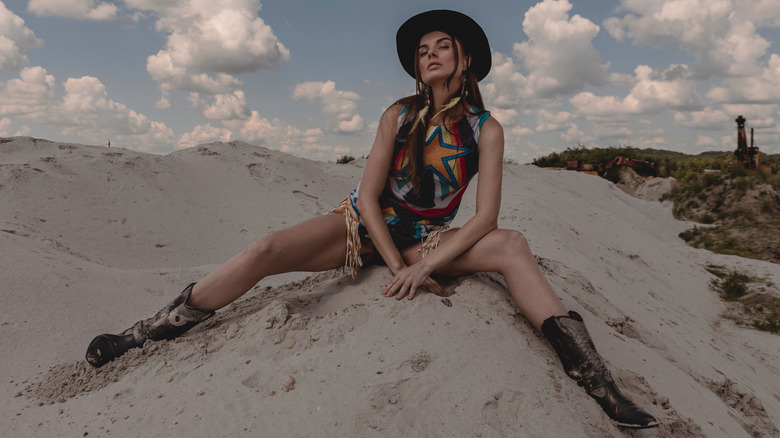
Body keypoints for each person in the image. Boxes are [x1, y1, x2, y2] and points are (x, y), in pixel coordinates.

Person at [85, 9, 658, 429]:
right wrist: (397, 266)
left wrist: (427, 262)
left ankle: (599, 386)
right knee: (265, 249)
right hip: (365, 229)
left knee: (513, 244)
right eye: (421, 50)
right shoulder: (398, 114)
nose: (428, 54)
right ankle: (146, 333)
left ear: (466, 60)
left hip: (432, 238)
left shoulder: (487, 129)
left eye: (441, 46)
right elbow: (365, 193)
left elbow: (485, 218)